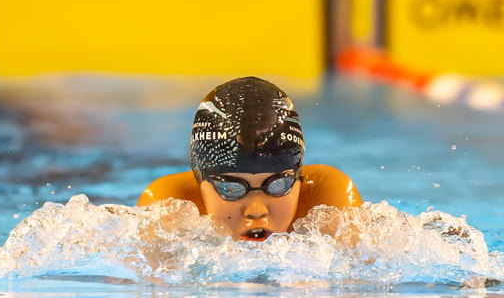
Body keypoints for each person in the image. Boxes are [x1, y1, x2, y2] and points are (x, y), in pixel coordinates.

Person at [137, 77, 362, 241]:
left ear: (298, 178)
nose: (256, 210)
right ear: (198, 179)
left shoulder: (328, 204)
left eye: (278, 184)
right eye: (231, 187)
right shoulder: (167, 210)